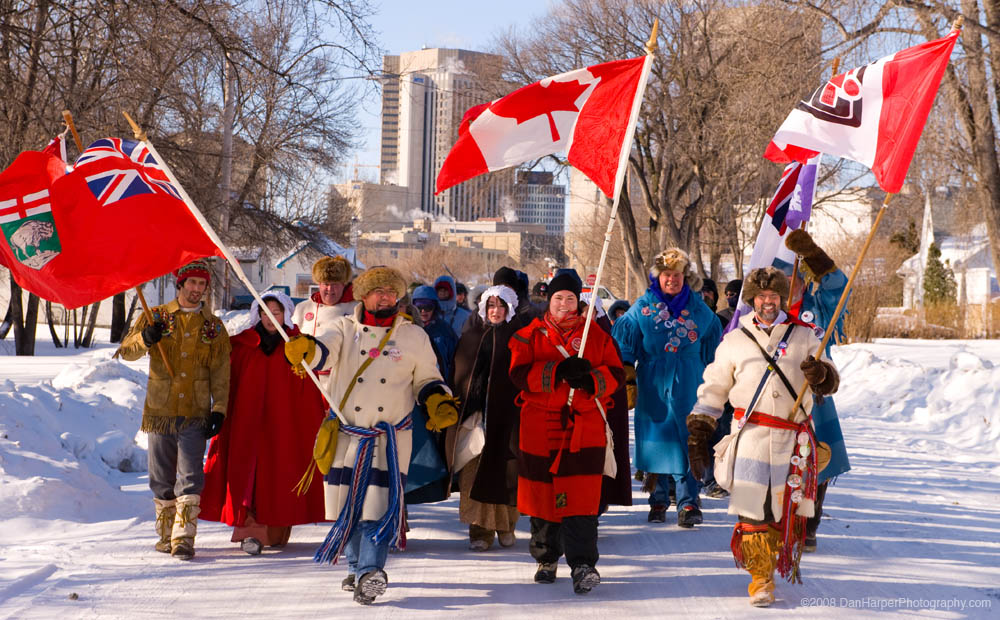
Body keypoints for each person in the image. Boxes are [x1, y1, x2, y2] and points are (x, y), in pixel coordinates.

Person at [687, 266, 839, 608]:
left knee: (784, 512)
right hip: (750, 437)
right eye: (760, 297)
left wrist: (820, 375)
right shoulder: (734, 340)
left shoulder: (805, 336)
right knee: (752, 510)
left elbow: (830, 381)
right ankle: (760, 578)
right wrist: (699, 432)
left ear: (781, 299)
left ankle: (771, 562)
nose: (767, 302)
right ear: (751, 300)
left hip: (794, 440)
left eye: (773, 296)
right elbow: (714, 388)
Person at [312, 266, 460, 605]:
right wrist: (307, 349)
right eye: (379, 291)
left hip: (388, 439)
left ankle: (370, 572)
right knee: (350, 508)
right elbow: (324, 351)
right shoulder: (344, 328)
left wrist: (437, 399)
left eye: (392, 292)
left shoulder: (413, 336)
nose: (386, 297)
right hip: (348, 435)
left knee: (377, 508)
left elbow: (428, 377)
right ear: (363, 296)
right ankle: (356, 567)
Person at [508, 272, 624, 595]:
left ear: (578, 302)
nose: (563, 304)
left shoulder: (595, 335)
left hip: (583, 428)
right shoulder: (529, 335)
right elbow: (517, 373)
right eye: (558, 298)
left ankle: (583, 565)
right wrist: (557, 370)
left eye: (570, 299)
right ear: (549, 300)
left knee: (581, 499)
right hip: (540, 427)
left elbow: (616, 373)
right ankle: (546, 558)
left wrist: (591, 381)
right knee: (543, 497)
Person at [118, 260, 231, 560]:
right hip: (161, 411)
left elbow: (221, 372)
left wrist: (219, 409)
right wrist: (145, 338)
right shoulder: (154, 317)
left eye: (202, 284)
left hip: (195, 410)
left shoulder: (213, 327)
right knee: (160, 477)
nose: (197, 289)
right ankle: (166, 534)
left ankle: (184, 538)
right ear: (179, 284)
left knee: (190, 475)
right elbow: (126, 352)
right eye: (192, 282)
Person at [200, 291, 328, 555]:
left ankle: (276, 531)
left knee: (280, 476)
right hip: (247, 425)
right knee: (249, 478)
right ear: (257, 314)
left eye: (276, 312)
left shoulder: (298, 347)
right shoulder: (242, 346)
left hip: (283, 426)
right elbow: (226, 382)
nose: (270, 318)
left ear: (286, 314)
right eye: (265, 312)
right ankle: (250, 532)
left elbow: (310, 390)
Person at [612, 248, 721, 527]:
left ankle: (688, 503)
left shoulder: (699, 308)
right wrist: (628, 373)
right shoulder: (642, 306)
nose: (671, 279)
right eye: (666, 275)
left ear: (685, 277)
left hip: (689, 381)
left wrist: (714, 379)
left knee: (689, 438)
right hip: (653, 382)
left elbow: (713, 347)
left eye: (677, 275)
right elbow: (624, 341)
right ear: (657, 277)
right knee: (657, 440)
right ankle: (658, 499)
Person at [784, 229, 852, 552]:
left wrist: (813, 255)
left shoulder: (818, 307)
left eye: (794, 276)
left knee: (818, 457)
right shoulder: (767, 311)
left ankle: (810, 523)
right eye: (782, 278)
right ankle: (784, 521)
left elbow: (838, 285)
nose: (789, 283)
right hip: (777, 396)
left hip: (816, 394)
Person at [449, 284, 522, 551]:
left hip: (508, 420)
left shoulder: (519, 338)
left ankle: (506, 525)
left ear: (509, 309)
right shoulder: (471, 336)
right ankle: (479, 530)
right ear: (483, 308)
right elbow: (460, 374)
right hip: (476, 419)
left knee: (506, 472)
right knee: (474, 473)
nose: (496, 311)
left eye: (501, 306)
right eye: (491, 306)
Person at [293, 256, 358, 390]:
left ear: (344, 285)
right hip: (305, 378)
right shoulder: (303, 307)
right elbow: (291, 337)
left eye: (335, 284)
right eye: (326, 284)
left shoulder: (356, 308)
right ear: (319, 284)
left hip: (338, 382)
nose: (330, 289)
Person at [410, 285, 458, 383]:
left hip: (439, 382)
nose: (423, 311)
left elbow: (455, 359)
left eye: (428, 307)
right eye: (419, 307)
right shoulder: (407, 329)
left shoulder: (444, 330)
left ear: (435, 307)